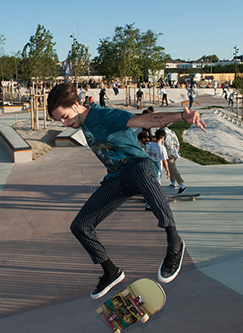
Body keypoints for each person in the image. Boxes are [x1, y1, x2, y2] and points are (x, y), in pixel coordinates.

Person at [47, 83, 206, 299]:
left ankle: (174, 241)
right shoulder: (81, 121)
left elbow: (144, 120)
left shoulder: (102, 115)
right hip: (117, 178)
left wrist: (181, 116)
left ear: (76, 105)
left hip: (137, 166)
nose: (65, 123)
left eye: (65, 117)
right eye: (60, 121)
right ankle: (110, 271)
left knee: (139, 170)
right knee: (80, 226)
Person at [138, 129, 171, 211]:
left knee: (151, 187)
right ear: (162, 137)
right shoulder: (161, 148)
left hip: (148, 168)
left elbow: (145, 156)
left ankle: (149, 203)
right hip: (157, 170)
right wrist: (168, 171)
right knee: (156, 188)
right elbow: (164, 161)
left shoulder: (149, 145)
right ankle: (151, 204)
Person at [163, 126, 186, 194]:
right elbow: (177, 143)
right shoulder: (172, 132)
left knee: (173, 169)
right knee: (171, 168)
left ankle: (182, 185)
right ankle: (173, 183)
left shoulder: (163, 133)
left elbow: (165, 144)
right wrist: (177, 152)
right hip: (174, 153)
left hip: (169, 154)